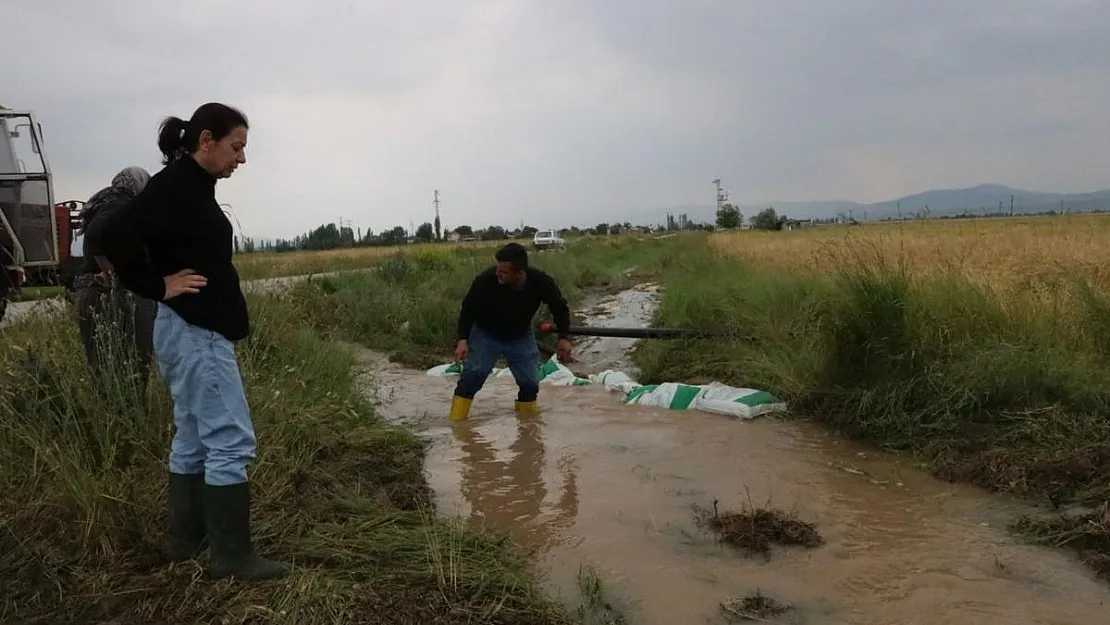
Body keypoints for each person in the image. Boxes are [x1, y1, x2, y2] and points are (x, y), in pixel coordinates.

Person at [101, 102, 288, 581]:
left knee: (193, 436)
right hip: (196, 332)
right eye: (236, 146)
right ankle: (233, 557)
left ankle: (186, 542)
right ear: (207, 140)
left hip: (186, 329)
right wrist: (157, 285)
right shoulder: (177, 186)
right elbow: (113, 232)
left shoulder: (190, 186)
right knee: (229, 438)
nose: (241, 158)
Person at [450, 242, 573, 421]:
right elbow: (468, 309)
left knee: (530, 384)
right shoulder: (485, 280)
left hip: (520, 336)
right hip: (486, 334)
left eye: (504, 272)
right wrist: (463, 339)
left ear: (520, 273)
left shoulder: (540, 281)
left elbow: (559, 307)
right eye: (497, 268)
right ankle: (456, 426)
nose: (497, 273)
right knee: (473, 376)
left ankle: (527, 430)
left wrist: (563, 337)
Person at [72, 166, 156, 401]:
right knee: (135, 362)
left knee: (101, 363)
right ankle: (131, 418)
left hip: (88, 295)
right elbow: (96, 236)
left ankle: (110, 416)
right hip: (118, 296)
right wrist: (113, 274)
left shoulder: (102, 202)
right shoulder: (123, 204)